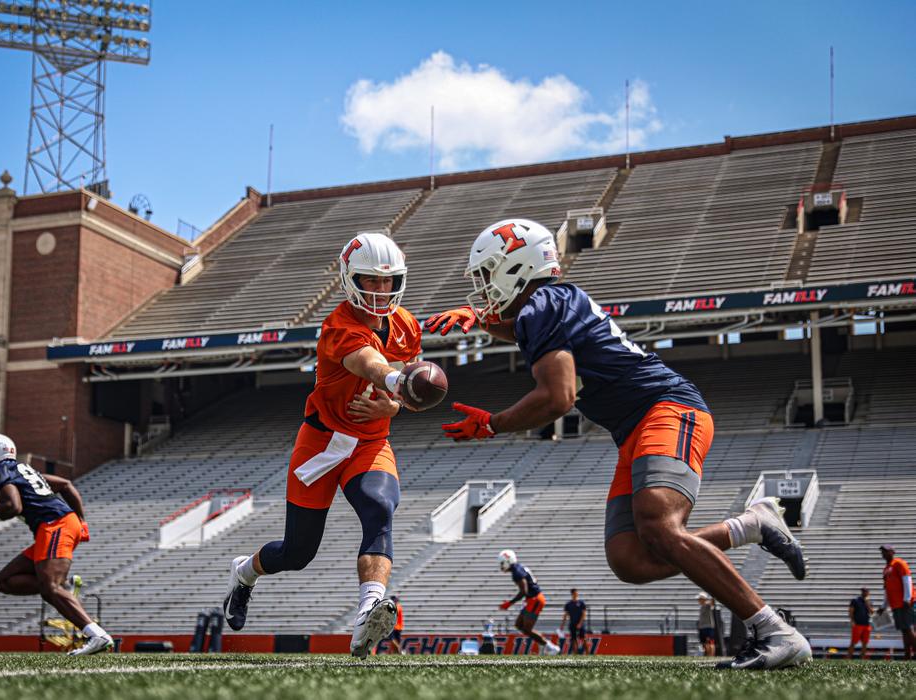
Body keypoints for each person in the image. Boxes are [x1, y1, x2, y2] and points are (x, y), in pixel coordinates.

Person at [425, 218, 811, 671]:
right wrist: (485, 323)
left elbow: (558, 397)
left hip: (668, 410)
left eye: (489, 274)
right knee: (631, 558)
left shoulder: (541, 307)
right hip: (637, 427)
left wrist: (492, 425)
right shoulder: (549, 304)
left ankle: (775, 631)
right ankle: (752, 526)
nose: (485, 289)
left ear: (517, 265)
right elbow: (527, 332)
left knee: (658, 525)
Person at [224, 233, 422, 658]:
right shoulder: (338, 325)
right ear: (351, 280)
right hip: (321, 443)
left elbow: (401, 388)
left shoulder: (405, 323)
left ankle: (368, 610)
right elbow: (368, 363)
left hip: (370, 440)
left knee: (380, 507)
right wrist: (393, 384)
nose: (381, 290)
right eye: (371, 280)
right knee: (298, 552)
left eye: (389, 282)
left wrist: (394, 406)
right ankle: (244, 573)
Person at [0, 433, 112, 656]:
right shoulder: (25, 469)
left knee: (49, 588)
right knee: (6, 581)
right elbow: (65, 485)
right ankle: (62, 588)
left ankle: (97, 635)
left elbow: (12, 506)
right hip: (59, 524)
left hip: (55, 524)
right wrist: (81, 520)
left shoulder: (0, 472)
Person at [497, 549, 561, 655]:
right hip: (532, 599)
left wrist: (510, 603)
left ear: (508, 561)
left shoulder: (516, 572)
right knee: (519, 625)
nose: (501, 566)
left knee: (527, 629)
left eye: (502, 563)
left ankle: (550, 647)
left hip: (535, 599)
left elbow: (524, 591)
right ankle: (543, 644)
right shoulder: (518, 568)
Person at [877, 544, 915, 660]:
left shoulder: (899, 563)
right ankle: (907, 656)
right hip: (896, 604)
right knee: (904, 630)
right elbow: (887, 589)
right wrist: (884, 606)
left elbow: (907, 580)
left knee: (908, 629)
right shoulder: (886, 569)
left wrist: (907, 599)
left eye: (886, 551)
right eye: (883, 552)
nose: (884, 553)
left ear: (893, 552)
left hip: (904, 603)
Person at [557, 588, 589, 655]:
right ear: (572, 594)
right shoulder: (568, 604)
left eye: (576, 593)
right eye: (575, 593)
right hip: (572, 623)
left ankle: (587, 653)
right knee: (573, 639)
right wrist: (562, 624)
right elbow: (565, 615)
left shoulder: (581, 603)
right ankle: (575, 653)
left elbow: (584, 614)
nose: (576, 594)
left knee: (583, 638)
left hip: (580, 623)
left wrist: (580, 623)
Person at [848, 587, 874, 660]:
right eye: (864, 591)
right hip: (858, 624)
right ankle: (849, 657)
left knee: (865, 643)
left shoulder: (869, 602)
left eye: (866, 591)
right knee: (853, 642)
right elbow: (851, 611)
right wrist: (852, 621)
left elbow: (872, 612)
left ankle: (862, 658)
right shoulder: (855, 601)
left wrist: (867, 603)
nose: (865, 593)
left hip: (866, 624)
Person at [696, 592, 717, 656]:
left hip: (708, 627)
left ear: (703, 599)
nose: (698, 600)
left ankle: (711, 655)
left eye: (700, 599)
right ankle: (708, 655)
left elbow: (712, 603)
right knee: (705, 643)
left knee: (710, 642)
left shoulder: (707, 605)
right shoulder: (702, 607)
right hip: (702, 627)